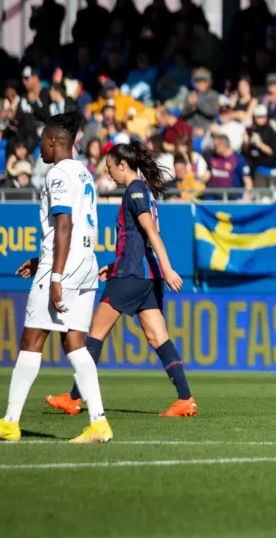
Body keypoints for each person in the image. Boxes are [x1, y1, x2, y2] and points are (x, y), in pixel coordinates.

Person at [0, 112, 112, 443]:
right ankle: (99, 423)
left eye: (41, 142)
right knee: (74, 343)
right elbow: (73, 226)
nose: (39, 149)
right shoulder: (84, 173)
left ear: (54, 141)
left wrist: (54, 274)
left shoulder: (58, 173)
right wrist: (42, 260)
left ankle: (10, 423)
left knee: (31, 339)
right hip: (85, 263)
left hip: (63, 268)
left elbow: (63, 223)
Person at [45, 142, 194, 418]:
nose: (109, 174)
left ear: (122, 165)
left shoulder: (134, 190)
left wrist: (169, 268)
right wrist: (115, 265)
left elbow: (151, 232)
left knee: (94, 335)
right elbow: (139, 239)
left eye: (110, 168)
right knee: (158, 337)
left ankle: (75, 398)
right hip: (145, 275)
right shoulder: (144, 190)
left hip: (132, 275)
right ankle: (185, 398)